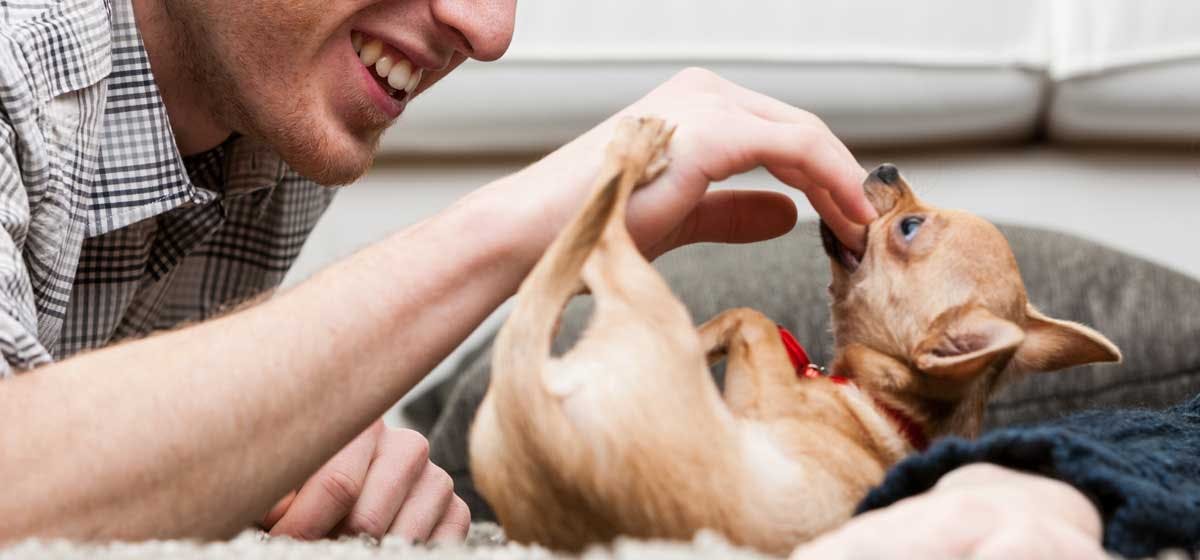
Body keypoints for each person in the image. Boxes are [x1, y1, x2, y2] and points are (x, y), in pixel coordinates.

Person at [2, 0, 1190, 557]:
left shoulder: (269, 123)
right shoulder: (25, 60)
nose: (488, 25)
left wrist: (268, 431)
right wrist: (528, 224)